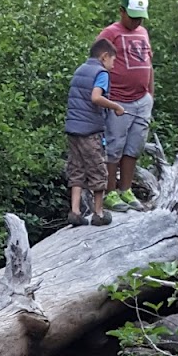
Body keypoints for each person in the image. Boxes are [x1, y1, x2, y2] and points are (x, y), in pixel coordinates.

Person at [96, 0, 154, 205]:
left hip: (141, 100)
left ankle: (126, 190)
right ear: (121, 12)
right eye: (132, 16)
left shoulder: (143, 32)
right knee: (114, 147)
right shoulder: (111, 33)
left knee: (133, 147)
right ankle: (110, 191)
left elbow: (149, 64)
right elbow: (96, 64)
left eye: (139, 16)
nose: (136, 20)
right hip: (118, 100)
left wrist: (150, 95)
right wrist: (101, 96)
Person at [64, 37, 125, 227]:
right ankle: (98, 213)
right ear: (104, 56)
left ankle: (75, 211)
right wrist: (115, 106)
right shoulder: (101, 73)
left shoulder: (80, 69)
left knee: (76, 168)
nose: (113, 66)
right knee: (98, 169)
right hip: (90, 130)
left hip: (73, 129)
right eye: (113, 60)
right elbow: (96, 97)